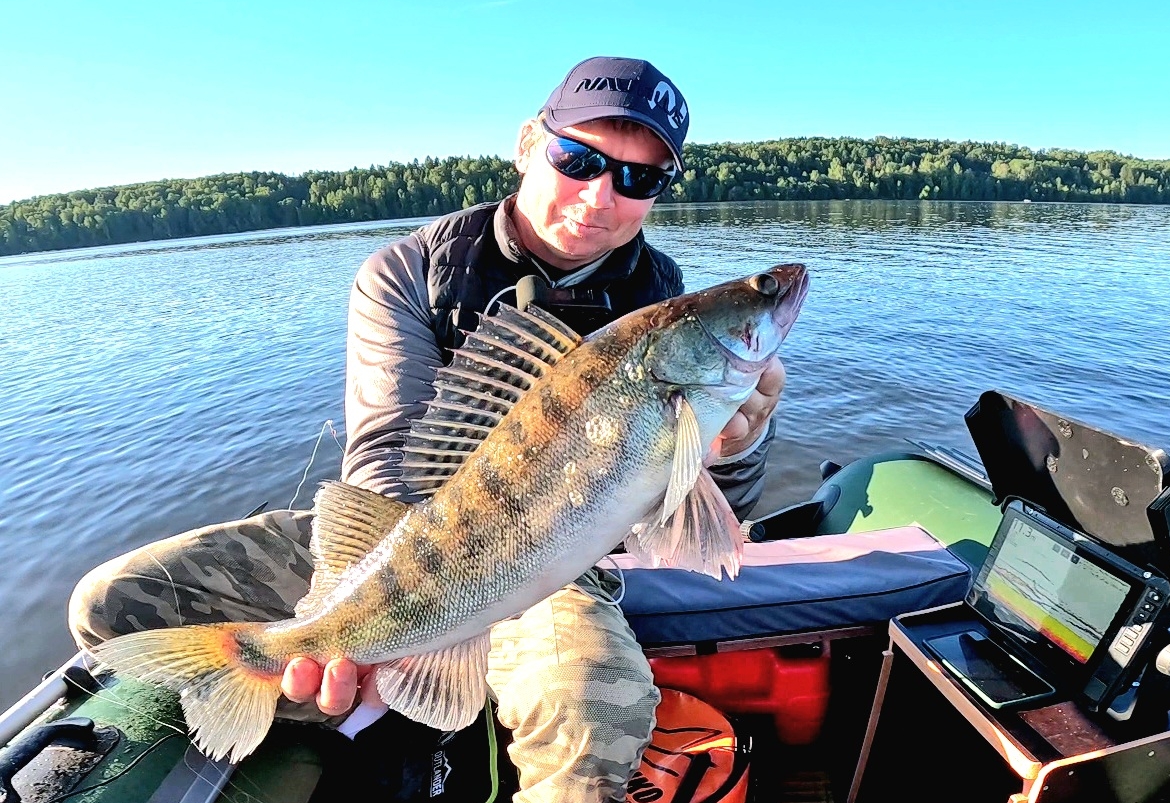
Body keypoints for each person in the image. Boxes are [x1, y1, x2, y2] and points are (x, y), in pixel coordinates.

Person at [67, 56, 784, 803]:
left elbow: (701, 515)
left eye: (639, 179)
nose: (599, 196)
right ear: (529, 144)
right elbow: (383, 463)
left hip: (551, 562)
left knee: (587, 718)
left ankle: (372, 700)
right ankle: (334, 702)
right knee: (115, 600)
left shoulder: (663, 300)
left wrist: (737, 443)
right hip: (403, 548)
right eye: (577, 159)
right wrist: (352, 615)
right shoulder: (409, 271)